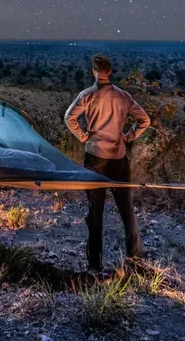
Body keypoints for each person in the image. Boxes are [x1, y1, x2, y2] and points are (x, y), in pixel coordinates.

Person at [64, 54, 151, 272]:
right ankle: (135, 260)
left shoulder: (87, 95)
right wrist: (129, 136)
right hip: (118, 157)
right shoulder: (123, 96)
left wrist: (84, 136)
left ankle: (95, 265)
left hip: (95, 157)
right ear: (110, 71)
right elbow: (145, 120)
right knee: (126, 210)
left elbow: (69, 118)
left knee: (95, 212)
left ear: (93, 71)